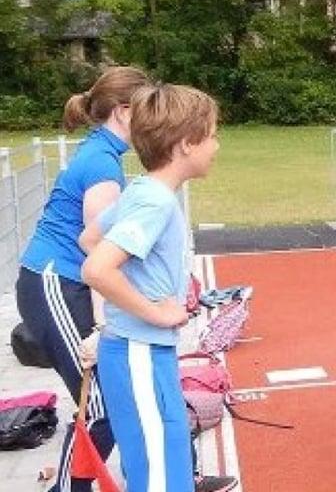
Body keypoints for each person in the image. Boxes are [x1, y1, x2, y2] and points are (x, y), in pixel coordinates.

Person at [80, 83, 232, 492]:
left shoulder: (143, 191)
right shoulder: (155, 202)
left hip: (140, 353)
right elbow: (97, 267)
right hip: (139, 354)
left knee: (162, 470)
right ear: (186, 144)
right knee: (162, 480)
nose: (217, 145)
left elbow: (90, 238)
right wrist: (157, 310)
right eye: (213, 134)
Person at [15, 65, 151, 492]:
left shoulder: (102, 152)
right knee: (100, 405)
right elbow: (96, 251)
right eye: (149, 108)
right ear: (125, 112)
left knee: (105, 400)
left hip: (61, 282)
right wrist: (102, 325)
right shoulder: (102, 166)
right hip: (55, 282)